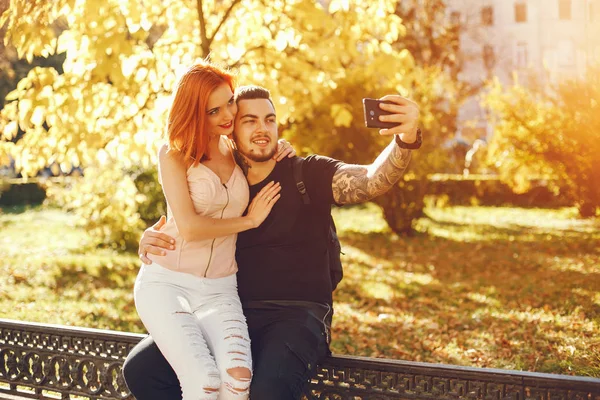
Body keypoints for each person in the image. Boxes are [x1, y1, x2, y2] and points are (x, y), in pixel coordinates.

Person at [124, 85, 421, 400]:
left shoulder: (306, 172)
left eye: (269, 119)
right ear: (230, 132)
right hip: (231, 310)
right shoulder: (227, 183)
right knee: (142, 370)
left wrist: (405, 138)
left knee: (267, 393)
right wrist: (150, 236)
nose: (262, 128)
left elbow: (370, 181)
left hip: (298, 316)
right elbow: (188, 221)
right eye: (249, 121)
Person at [132, 64, 296, 400]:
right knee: (205, 380)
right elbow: (190, 229)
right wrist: (249, 220)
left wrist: (284, 147)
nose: (228, 115)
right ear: (195, 112)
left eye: (230, 103)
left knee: (237, 380)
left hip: (221, 287)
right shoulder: (174, 154)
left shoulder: (235, 151)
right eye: (214, 110)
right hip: (167, 281)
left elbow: (263, 147)